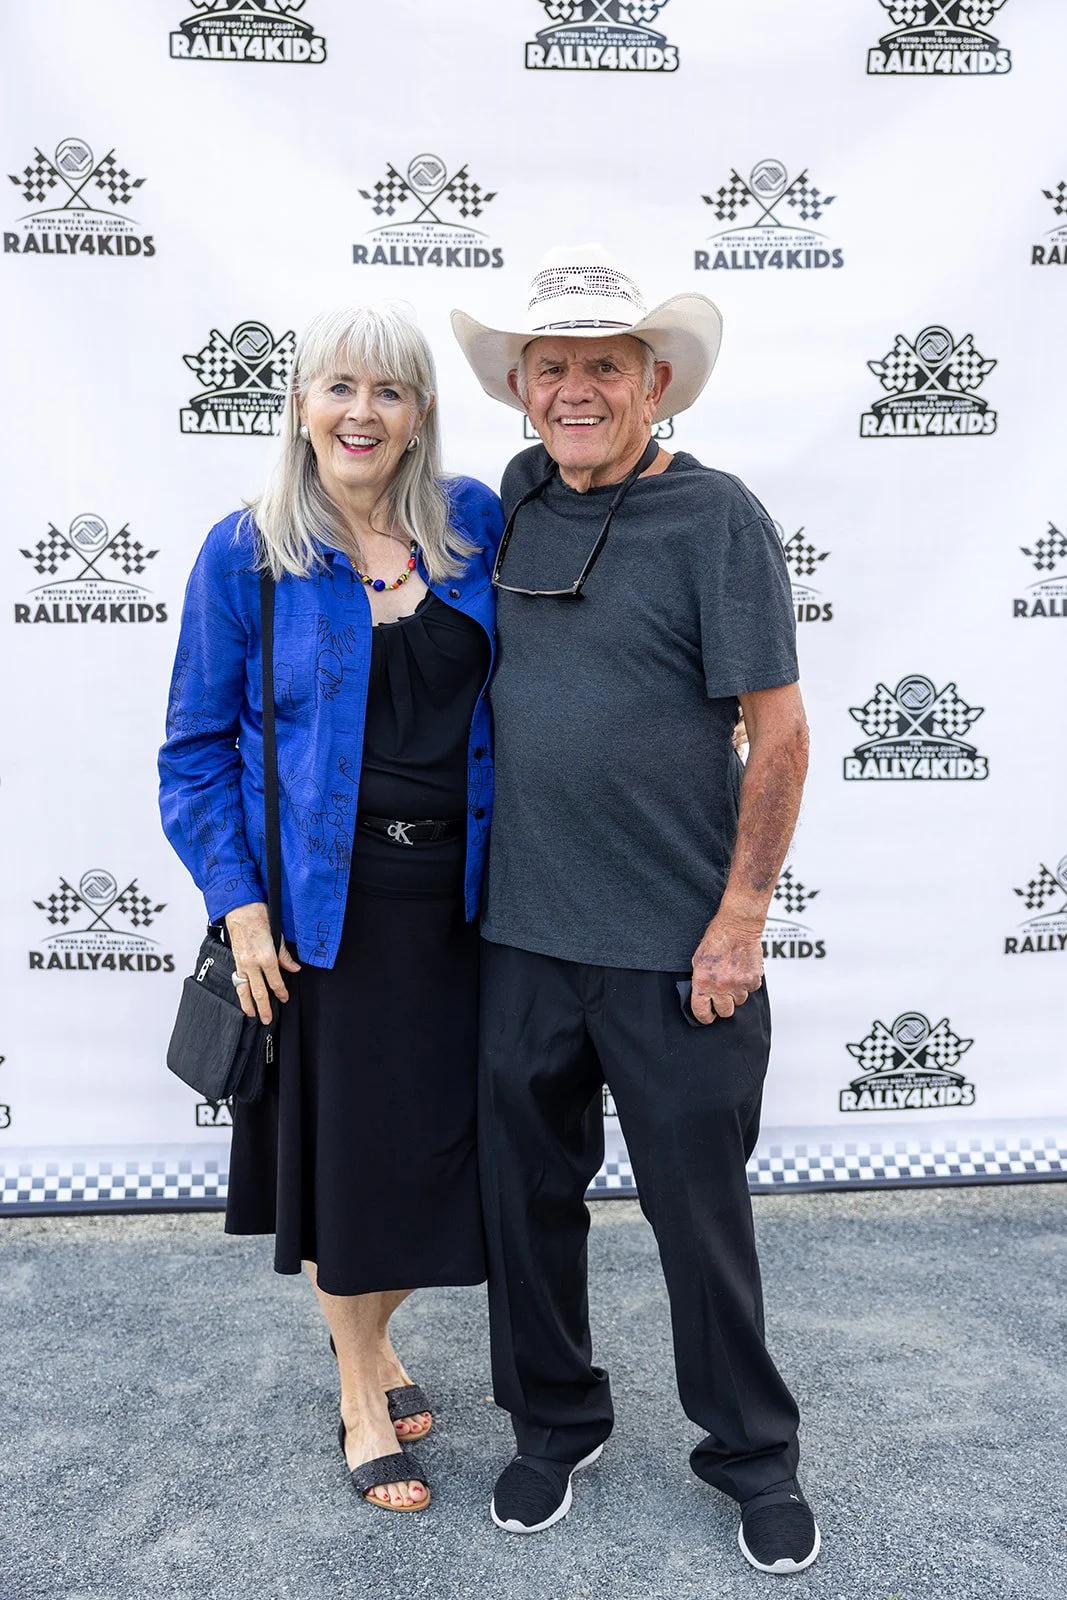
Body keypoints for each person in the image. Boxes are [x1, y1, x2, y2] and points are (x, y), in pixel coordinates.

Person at [451, 246, 820, 1574]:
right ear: (521, 389)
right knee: (524, 1201)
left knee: (697, 1216)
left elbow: (774, 738)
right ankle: (552, 1423)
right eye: (549, 367)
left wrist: (738, 918)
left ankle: (749, 1455)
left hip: (679, 948)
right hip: (521, 938)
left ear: (653, 379)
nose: (574, 389)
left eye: (603, 365)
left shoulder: (716, 518)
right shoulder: (515, 494)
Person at [159, 304, 502, 1513]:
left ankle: (376, 1340)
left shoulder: (474, 527)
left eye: (389, 392)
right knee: (354, 1173)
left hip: (465, 910)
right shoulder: (246, 551)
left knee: (446, 1164)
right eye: (338, 388)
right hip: (322, 924)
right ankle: (362, 1387)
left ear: (419, 417)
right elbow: (194, 751)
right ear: (301, 406)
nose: (361, 412)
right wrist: (240, 911)